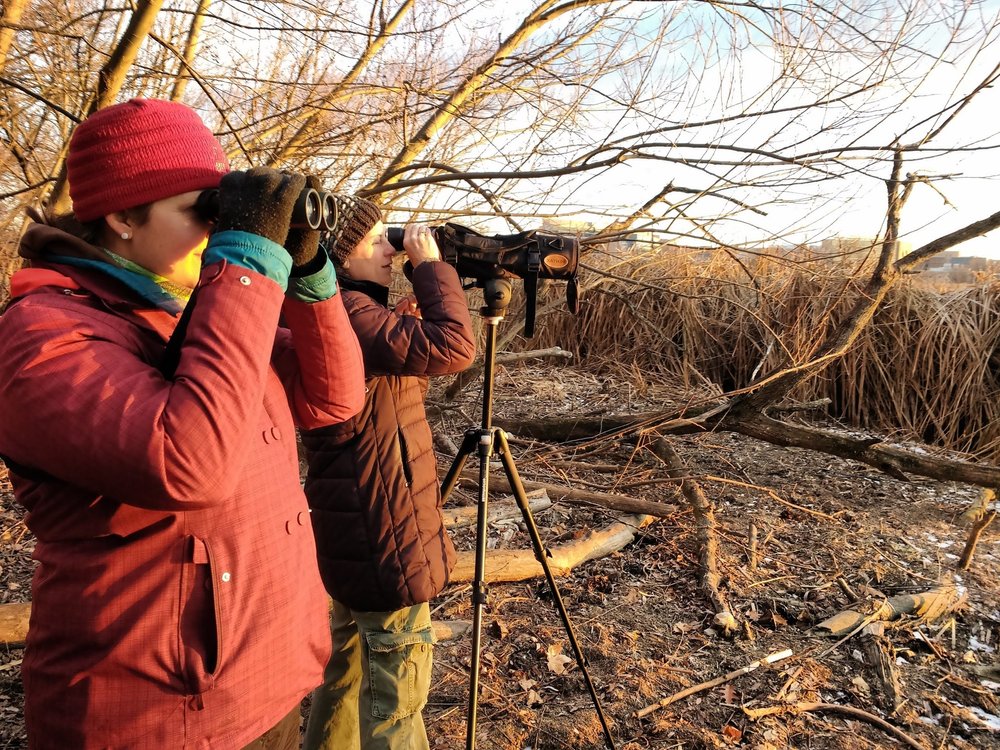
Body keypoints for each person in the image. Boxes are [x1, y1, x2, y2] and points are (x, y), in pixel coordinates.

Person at [0, 98, 366, 749]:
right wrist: (247, 260)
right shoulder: (41, 337)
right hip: (159, 717)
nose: (220, 230)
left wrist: (308, 269)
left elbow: (332, 397)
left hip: (267, 683)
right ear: (121, 217)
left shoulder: (200, 312)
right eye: (206, 211)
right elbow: (189, 464)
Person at [300, 196, 476, 750]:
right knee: (397, 698)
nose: (386, 250)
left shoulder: (343, 312)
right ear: (338, 258)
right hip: (385, 528)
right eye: (373, 240)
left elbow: (408, 363)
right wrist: (428, 268)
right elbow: (454, 347)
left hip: (359, 521)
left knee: (346, 673)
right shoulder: (351, 315)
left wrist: (436, 278)